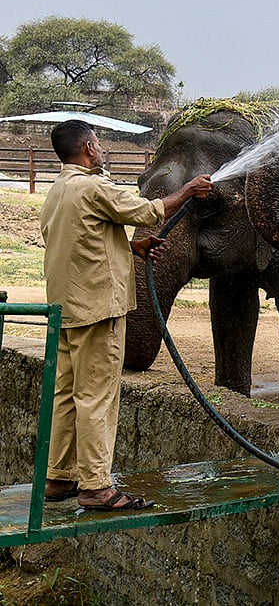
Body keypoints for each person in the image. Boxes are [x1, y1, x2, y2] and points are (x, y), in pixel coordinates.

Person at [39, 119, 213, 511]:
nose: (102, 149)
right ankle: (96, 487)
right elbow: (150, 211)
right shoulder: (93, 187)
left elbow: (79, 238)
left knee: (66, 395)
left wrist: (131, 248)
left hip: (65, 310)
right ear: (88, 148)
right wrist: (189, 189)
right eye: (98, 143)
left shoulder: (59, 190)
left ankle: (58, 477)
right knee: (97, 397)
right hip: (97, 310)